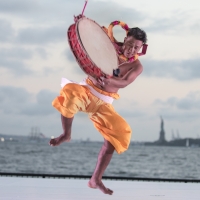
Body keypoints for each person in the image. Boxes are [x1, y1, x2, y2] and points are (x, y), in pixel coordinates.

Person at [49, 26, 147, 195]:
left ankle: (95, 179)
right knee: (70, 94)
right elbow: (87, 44)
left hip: (104, 103)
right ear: (125, 39)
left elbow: (124, 83)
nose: (131, 49)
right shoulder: (109, 48)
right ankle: (66, 134)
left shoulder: (136, 66)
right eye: (130, 44)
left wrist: (109, 79)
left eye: (136, 47)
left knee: (120, 133)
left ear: (141, 49)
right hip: (87, 91)